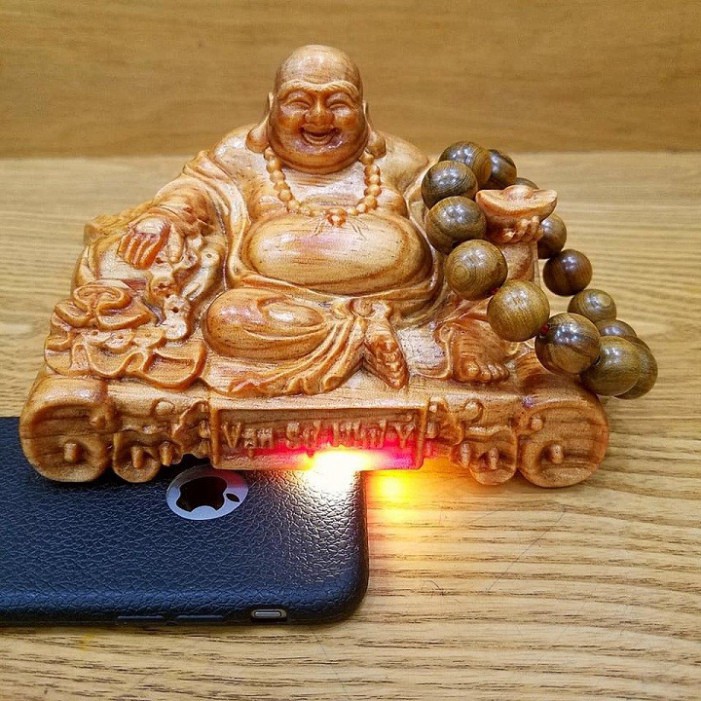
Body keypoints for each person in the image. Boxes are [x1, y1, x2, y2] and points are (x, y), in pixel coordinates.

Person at [70, 45, 518, 397]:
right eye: (299, 102)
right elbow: (198, 187)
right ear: (271, 107)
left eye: (337, 103)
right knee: (226, 319)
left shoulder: (399, 160)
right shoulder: (241, 156)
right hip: (278, 303)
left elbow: (448, 208)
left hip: (407, 301)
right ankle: (359, 335)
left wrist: (502, 216)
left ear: (364, 110)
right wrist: (167, 215)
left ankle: (466, 335)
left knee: (499, 244)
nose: (319, 118)